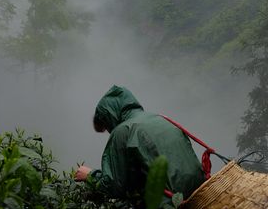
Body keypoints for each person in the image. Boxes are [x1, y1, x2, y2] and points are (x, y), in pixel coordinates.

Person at [74, 85, 205, 201]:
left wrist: (89, 176)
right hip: (199, 190)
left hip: (170, 206)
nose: (109, 131)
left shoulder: (122, 131)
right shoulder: (159, 118)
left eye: (106, 127)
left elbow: (114, 186)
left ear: (109, 117)